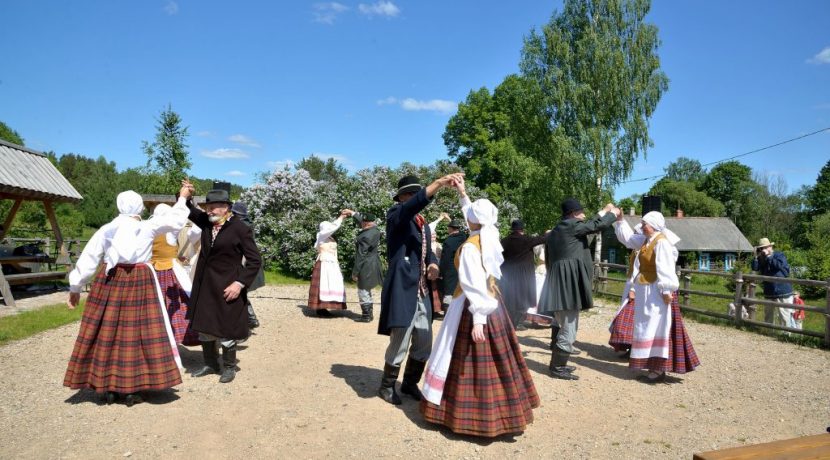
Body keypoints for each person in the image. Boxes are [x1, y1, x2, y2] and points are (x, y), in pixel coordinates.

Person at [421, 183, 539, 437]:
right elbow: (475, 217)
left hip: (474, 305)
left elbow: (473, 286)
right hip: (494, 302)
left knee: (464, 357)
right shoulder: (491, 235)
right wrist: (463, 195)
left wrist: (477, 320)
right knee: (501, 359)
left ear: (473, 221)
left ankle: (466, 415)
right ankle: (508, 410)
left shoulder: (470, 248)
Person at [64, 190, 189, 406]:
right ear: (140, 207)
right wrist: (183, 198)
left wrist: (75, 287)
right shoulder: (148, 226)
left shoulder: (107, 229)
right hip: (140, 279)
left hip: (111, 279)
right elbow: (177, 219)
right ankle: (134, 387)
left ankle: (108, 384)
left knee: (108, 331)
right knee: (140, 332)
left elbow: (89, 258)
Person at [377, 172, 463, 405]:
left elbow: (425, 253)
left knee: (425, 339)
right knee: (401, 338)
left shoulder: (423, 225)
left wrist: (433, 264)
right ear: (403, 197)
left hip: (423, 289)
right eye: (413, 194)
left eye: (418, 193)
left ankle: (409, 383)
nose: (417, 197)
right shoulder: (396, 214)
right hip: (403, 287)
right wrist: (438, 184)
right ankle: (386, 386)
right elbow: (410, 209)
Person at [182, 181, 263, 384]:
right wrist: (186, 195)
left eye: (216, 206)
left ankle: (228, 367)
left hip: (228, 286)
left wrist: (239, 284)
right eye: (209, 206)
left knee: (227, 327)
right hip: (206, 285)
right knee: (205, 326)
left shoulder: (239, 229)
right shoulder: (207, 222)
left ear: (227, 207)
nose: (211, 209)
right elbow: (187, 209)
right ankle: (210, 364)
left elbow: (255, 261)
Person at [537, 198, 620, 380]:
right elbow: (593, 226)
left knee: (562, 323)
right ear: (574, 214)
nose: (583, 216)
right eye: (581, 212)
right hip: (567, 286)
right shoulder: (572, 226)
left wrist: (604, 212)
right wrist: (612, 214)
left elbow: (589, 225)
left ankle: (557, 365)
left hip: (557, 284)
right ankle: (557, 368)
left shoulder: (557, 231)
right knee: (569, 327)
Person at [614, 211, 700, 383]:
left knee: (657, 328)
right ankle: (652, 366)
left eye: (644, 224)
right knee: (646, 328)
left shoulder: (662, 243)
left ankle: (658, 370)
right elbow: (629, 239)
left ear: (653, 225)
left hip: (657, 292)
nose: (642, 226)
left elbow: (665, 268)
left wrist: (667, 291)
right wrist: (620, 221)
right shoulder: (647, 240)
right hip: (646, 290)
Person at [150, 203, 201, 346]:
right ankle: (178, 337)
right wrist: (185, 201)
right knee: (180, 303)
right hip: (169, 270)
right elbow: (181, 217)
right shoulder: (171, 231)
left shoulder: (148, 229)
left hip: (151, 270)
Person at [499, 219, 548, 330]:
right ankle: (515, 324)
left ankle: (509, 323)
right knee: (523, 300)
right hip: (524, 276)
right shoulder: (527, 240)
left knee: (509, 300)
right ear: (522, 230)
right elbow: (543, 239)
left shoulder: (504, 241)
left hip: (508, 275)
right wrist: (550, 233)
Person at [308, 210, 350, 316]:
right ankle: (320, 308)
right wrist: (341, 217)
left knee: (333, 284)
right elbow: (333, 227)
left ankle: (330, 306)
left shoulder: (329, 238)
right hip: (324, 263)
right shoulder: (321, 236)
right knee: (323, 284)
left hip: (332, 264)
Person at [231, 200, 265, 329]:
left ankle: (250, 319)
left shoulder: (241, 225)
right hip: (245, 259)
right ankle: (250, 318)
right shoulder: (247, 223)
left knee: (238, 290)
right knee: (240, 291)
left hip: (243, 260)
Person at [751, 238, 796, 330]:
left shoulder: (779, 255)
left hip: (782, 291)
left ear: (770, 247)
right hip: (769, 291)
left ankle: (786, 336)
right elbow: (755, 268)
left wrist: (769, 256)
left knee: (784, 317)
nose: (763, 249)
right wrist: (756, 257)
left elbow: (779, 266)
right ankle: (768, 334)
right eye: (761, 248)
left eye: (765, 247)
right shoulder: (761, 258)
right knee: (768, 316)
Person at [349, 210, 383, 323]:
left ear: (367, 223)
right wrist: (352, 213)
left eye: (363, 222)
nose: (361, 223)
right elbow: (361, 220)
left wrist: (355, 272)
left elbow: (360, 255)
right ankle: (369, 314)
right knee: (367, 289)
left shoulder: (366, 236)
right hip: (373, 263)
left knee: (363, 289)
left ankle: (366, 316)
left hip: (365, 264)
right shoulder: (374, 230)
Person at [608, 249, 638, 356]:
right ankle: (630, 349)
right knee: (628, 322)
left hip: (639, 287)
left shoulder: (646, 249)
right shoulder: (637, 249)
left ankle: (634, 350)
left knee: (632, 322)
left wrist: (634, 289)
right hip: (632, 284)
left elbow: (641, 271)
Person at [438, 218, 466, 311]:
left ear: (450, 228)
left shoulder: (449, 242)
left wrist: (441, 272)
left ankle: (448, 313)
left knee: (448, 293)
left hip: (450, 271)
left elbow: (445, 260)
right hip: (463, 269)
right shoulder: (465, 238)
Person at [527, 244, 552, 327]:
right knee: (538, 295)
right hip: (541, 272)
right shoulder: (541, 248)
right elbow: (541, 259)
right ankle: (535, 320)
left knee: (545, 296)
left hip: (547, 273)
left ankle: (545, 319)